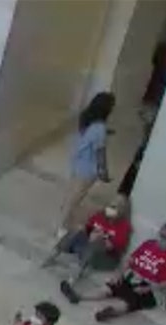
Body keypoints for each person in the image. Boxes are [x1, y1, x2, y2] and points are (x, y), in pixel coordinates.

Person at [58, 92, 115, 235]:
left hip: (78, 161)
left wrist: (104, 132)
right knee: (76, 198)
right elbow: (100, 153)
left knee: (71, 193)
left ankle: (65, 217)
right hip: (88, 169)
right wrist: (104, 172)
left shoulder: (86, 117)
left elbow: (89, 134)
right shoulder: (100, 128)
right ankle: (62, 226)